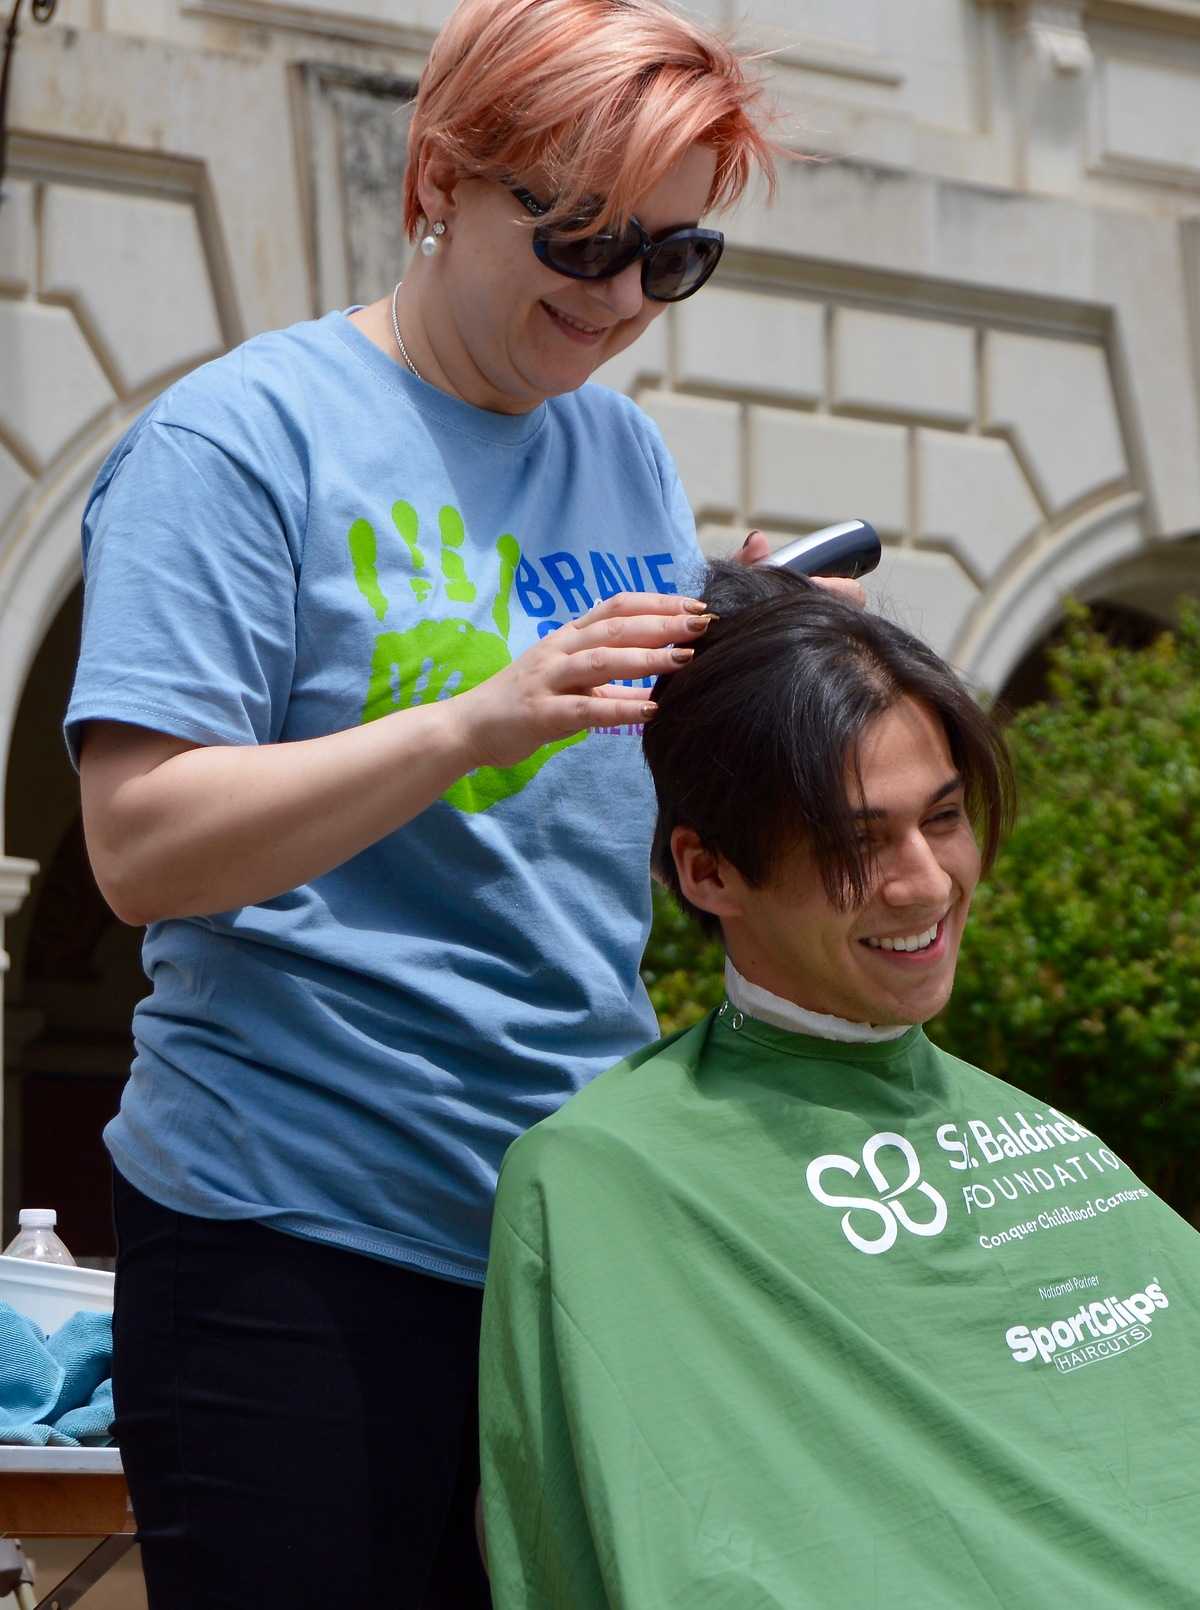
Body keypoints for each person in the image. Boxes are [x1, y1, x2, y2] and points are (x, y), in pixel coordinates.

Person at [63, 3, 854, 1603]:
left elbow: (589, 811)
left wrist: (737, 646)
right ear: (440, 175)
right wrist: (473, 721)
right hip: (287, 1234)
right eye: (579, 237)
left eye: (673, 259)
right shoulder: (240, 440)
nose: (621, 297)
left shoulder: (622, 455)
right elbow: (139, 846)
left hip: (573, 1237)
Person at [477, 565, 1200, 1607]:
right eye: (857, 842)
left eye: (944, 818)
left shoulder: (1028, 1131)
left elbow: (1187, 1408)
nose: (924, 883)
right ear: (706, 867)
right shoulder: (611, 1171)